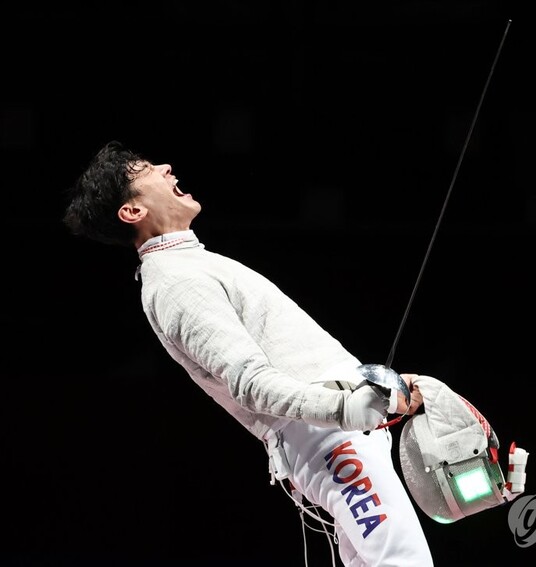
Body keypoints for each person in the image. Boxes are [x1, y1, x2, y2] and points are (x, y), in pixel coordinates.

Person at [62, 140, 435, 567]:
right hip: (328, 440)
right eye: (146, 170)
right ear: (132, 212)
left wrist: (373, 395)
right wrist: (345, 408)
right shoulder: (176, 283)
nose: (167, 167)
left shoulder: (189, 265)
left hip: (333, 436)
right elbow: (250, 383)